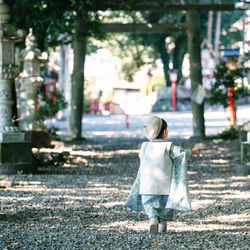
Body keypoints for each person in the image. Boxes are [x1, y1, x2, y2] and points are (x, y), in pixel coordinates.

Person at [124, 115, 200, 234]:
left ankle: (153, 219)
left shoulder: (144, 146)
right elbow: (181, 154)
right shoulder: (168, 146)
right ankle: (162, 225)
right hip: (165, 186)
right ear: (164, 132)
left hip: (147, 185)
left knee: (149, 204)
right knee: (165, 207)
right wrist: (193, 152)